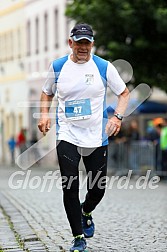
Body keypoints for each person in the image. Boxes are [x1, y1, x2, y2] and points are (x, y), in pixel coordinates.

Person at [38, 23, 129, 252]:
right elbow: (47, 92)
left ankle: (86, 211)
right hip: (67, 135)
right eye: (78, 42)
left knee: (98, 189)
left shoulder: (103, 67)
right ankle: (78, 237)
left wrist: (117, 118)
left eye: (86, 43)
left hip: (96, 138)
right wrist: (44, 115)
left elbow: (124, 93)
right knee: (70, 187)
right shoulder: (58, 66)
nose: (82, 47)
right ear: (71, 43)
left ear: (92, 44)